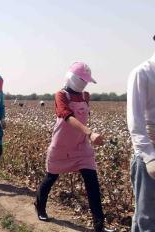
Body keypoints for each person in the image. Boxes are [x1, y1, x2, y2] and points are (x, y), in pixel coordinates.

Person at [34, 62, 115, 232]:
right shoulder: (61, 95)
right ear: (72, 78)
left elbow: (82, 118)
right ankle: (39, 206)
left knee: (92, 182)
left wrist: (89, 135)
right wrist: (89, 133)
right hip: (61, 145)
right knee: (51, 178)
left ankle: (99, 225)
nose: (84, 83)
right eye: (82, 79)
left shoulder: (86, 96)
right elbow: (67, 116)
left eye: (86, 81)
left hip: (81, 146)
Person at [127, 35, 155, 232]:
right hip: (149, 153)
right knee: (147, 218)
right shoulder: (142, 73)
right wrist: (149, 157)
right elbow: (135, 120)